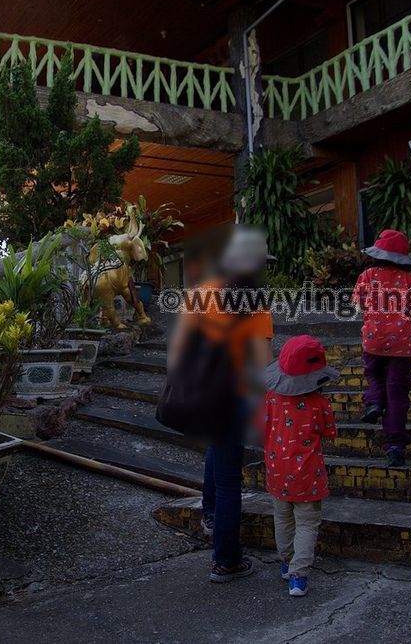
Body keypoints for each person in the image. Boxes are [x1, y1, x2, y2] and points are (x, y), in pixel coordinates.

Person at [167, 226, 274, 582]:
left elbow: (179, 350)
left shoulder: (198, 293)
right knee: (231, 479)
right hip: (233, 394)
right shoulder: (254, 301)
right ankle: (226, 560)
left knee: (216, 447)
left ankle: (210, 513)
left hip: (201, 392)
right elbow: (261, 360)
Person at [261, 334, 339, 597]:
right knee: (306, 524)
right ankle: (299, 576)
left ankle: (286, 563)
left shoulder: (271, 398)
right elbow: (330, 432)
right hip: (308, 475)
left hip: (277, 472)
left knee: (282, 519)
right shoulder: (320, 404)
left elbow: (260, 427)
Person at [352, 229, 411, 467]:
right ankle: (394, 446)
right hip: (401, 346)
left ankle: (373, 402)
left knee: (374, 376)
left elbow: (359, 305)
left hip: (373, 341)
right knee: (398, 393)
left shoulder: (367, 275)